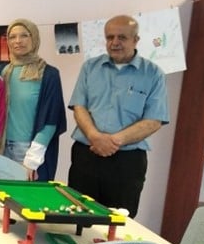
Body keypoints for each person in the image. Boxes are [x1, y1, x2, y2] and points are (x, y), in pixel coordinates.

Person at [67, 15, 169, 218]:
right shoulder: (90, 67)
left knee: (119, 222)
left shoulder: (153, 74)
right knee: (76, 216)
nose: (114, 43)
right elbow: (79, 106)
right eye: (109, 37)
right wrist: (95, 137)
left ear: (135, 40)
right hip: (86, 155)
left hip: (127, 162)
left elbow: (154, 120)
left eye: (122, 37)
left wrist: (113, 141)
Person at [0, 19, 66, 182]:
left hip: (28, 151)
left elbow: (51, 120)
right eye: (12, 37)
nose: (18, 41)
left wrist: (32, 160)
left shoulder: (48, 74)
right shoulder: (1, 71)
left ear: (34, 38)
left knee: (24, 203)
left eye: (24, 36)